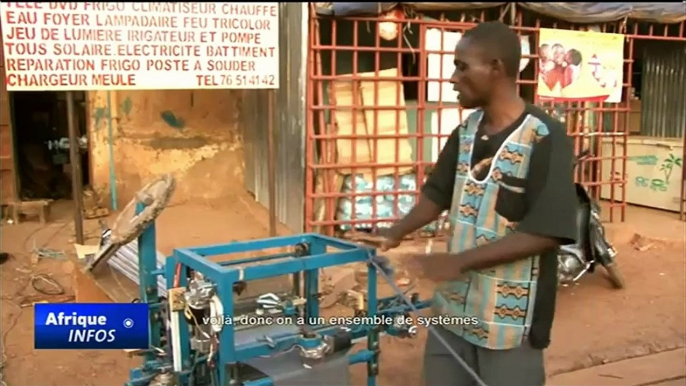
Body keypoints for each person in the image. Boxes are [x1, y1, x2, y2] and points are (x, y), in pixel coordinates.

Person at [377, 21, 578, 386]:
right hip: (454, 311)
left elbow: (546, 231)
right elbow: (437, 193)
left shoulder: (544, 136)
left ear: (497, 68)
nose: (453, 78)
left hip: (508, 322)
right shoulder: (467, 131)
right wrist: (393, 233)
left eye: (462, 66)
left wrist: (457, 262)